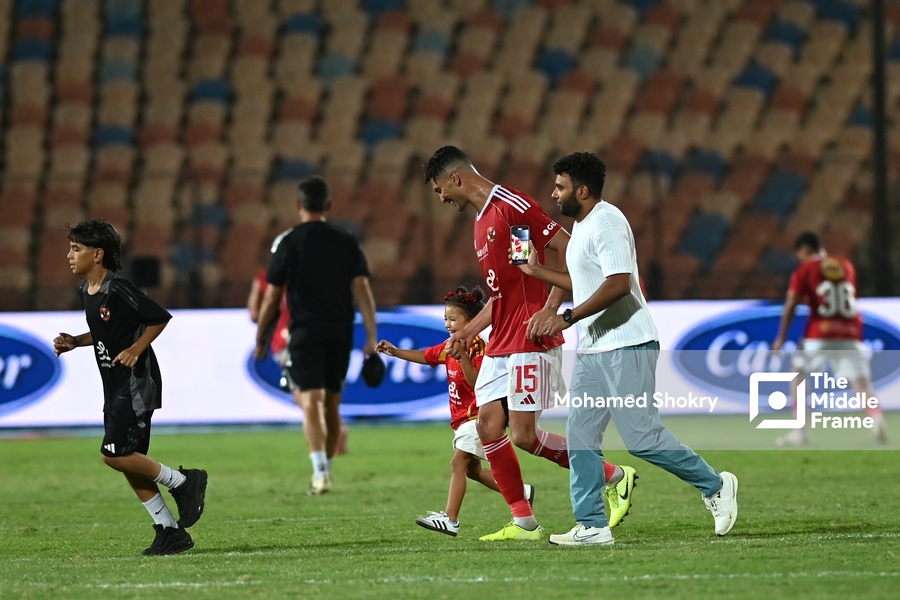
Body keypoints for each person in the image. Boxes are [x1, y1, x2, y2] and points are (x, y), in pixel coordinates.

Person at [520, 152, 738, 545]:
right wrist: (535, 271)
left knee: (641, 438)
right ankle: (591, 524)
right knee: (581, 435)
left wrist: (566, 318)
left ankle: (715, 485)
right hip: (593, 348)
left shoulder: (606, 221)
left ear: (582, 190)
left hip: (628, 341)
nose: (554, 193)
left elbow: (619, 282)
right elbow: (585, 283)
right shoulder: (582, 226)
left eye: (560, 186)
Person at [423, 146, 635, 541]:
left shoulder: (510, 205)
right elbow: (506, 292)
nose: (440, 198)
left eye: (439, 189)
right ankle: (524, 522)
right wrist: (468, 332)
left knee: (523, 435)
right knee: (488, 426)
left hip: (529, 338)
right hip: (502, 340)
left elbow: (566, 248)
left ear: (455, 179)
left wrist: (552, 309)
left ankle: (615, 475)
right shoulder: (482, 222)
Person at [53, 219, 207, 556]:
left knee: (114, 455)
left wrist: (136, 350)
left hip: (137, 383)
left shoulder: (117, 287)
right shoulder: (87, 292)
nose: (69, 255)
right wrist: (75, 342)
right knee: (128, 459)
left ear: (98, 254)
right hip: (115, 385)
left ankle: (184, 481)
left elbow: (158, 317)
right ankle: (169, 531)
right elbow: (107, 332)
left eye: (76, 249)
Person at [376, 286, 534, 536]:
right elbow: (426, 356)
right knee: (472, 470)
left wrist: (463, 358)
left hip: (478, 417)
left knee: (457, 464)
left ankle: (451, 519)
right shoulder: (450, 346)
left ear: (472, 322)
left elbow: (480, 385)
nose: (448, 324)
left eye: (453, 319)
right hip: (462, 420)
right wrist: (395, 352)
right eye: (445, 319)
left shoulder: (480, 348)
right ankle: (520, 492)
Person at [254, 176, 377, 495]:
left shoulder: (288, 242)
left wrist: (262, 336)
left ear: (298, 205)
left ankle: (320, 472)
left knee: (311, 403)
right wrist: (371, 336)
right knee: (333, 405)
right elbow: (362, 288)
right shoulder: (346, 240)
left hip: (305, 331)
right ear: (328, 206)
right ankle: (328, 469)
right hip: (339, 330)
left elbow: (271, 296)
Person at [772, 232, 887, 445]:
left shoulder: (804, 269)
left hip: (820, 332)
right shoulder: (846, 265)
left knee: (798, 375)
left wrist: (781, 337)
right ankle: (877, 419)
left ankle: (800, 430)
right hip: (851, 332)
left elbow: (791, 304)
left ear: (805, 251)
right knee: (861, 383)